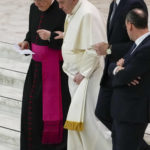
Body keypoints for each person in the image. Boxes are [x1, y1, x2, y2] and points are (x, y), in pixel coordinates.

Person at [56, 0, 112, 150]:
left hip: (88, 77)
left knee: (89, 121)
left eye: (61, 2)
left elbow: (96, 46)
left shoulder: (88, 13)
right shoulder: (72, 10)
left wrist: (84, 72)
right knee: (78, 121)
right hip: (75, 76)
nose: (59, 7)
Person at [94, 0, 148, 148]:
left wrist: (111, 50)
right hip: (113, 69)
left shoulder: (135, 3)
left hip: (129, 70)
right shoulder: (114, 4)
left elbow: (138, 40)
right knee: (102, 112)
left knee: (122, 128)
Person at [18, 0, 70, 150]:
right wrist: (26, 41)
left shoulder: (62, 10)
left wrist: (50, 37)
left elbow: (71, 40)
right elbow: (31, 31)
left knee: (53, 114)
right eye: (36, 0)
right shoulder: (33, 8)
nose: (38, 3)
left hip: (56, 72)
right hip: (35, 70)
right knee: (30, 111)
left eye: (41, 1)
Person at [108, 8, 150, 150]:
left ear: (130, 25)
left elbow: (123, 77)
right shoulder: (137, 44)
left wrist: (120, 72)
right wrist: (117, 69)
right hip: (123, 112)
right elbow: (113, 69)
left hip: (132, 114)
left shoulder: (146, 47)